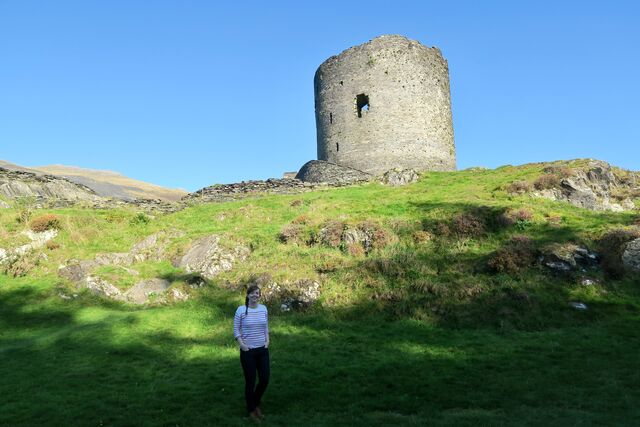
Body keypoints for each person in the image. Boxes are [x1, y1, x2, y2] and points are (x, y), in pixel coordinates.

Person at [233, 285, 270, 421]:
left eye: (257, 293)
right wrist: (242, 345)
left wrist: (267, 341)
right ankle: (252, 411)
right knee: (251, 381)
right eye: (253, 293)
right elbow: (236, 330)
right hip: (248, 351)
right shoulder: (241, 310)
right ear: (248, 295)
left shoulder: (263, 309)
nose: (255, 295)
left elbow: (266, 326)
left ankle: (254, 403)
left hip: (263, 350)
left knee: (265, 379)